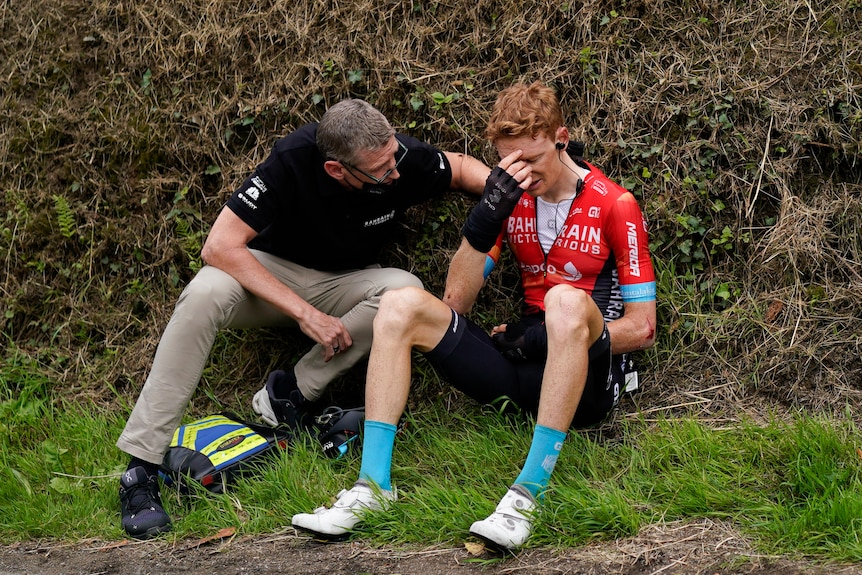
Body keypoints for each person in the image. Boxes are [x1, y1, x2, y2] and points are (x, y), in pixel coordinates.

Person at [290, 81, 657, 551]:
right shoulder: (513, 197)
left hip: (586, 380)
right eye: (509, 161)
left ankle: (528, 495)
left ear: (560, 137)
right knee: (401, 302)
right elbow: (456, 304)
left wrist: (545, 338)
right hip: (522, 371)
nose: (521, 173)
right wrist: (484, 218)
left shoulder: (614, 203)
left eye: (531, 158)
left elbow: (642, 328)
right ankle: (372, 488)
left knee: (564, 302)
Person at [115, 98, 491, 539]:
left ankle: (289, 392)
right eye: (381, 170)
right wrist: (304, 313)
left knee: (403, 290)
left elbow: (463, 168)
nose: (395, 174)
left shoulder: (396, 156)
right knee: (203, 292)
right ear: (336, 169)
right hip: (273, 277)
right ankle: (139, 471)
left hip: (346, 282)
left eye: (393, 159)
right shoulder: (290, 159)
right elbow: (219, 246)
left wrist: (515, 192)